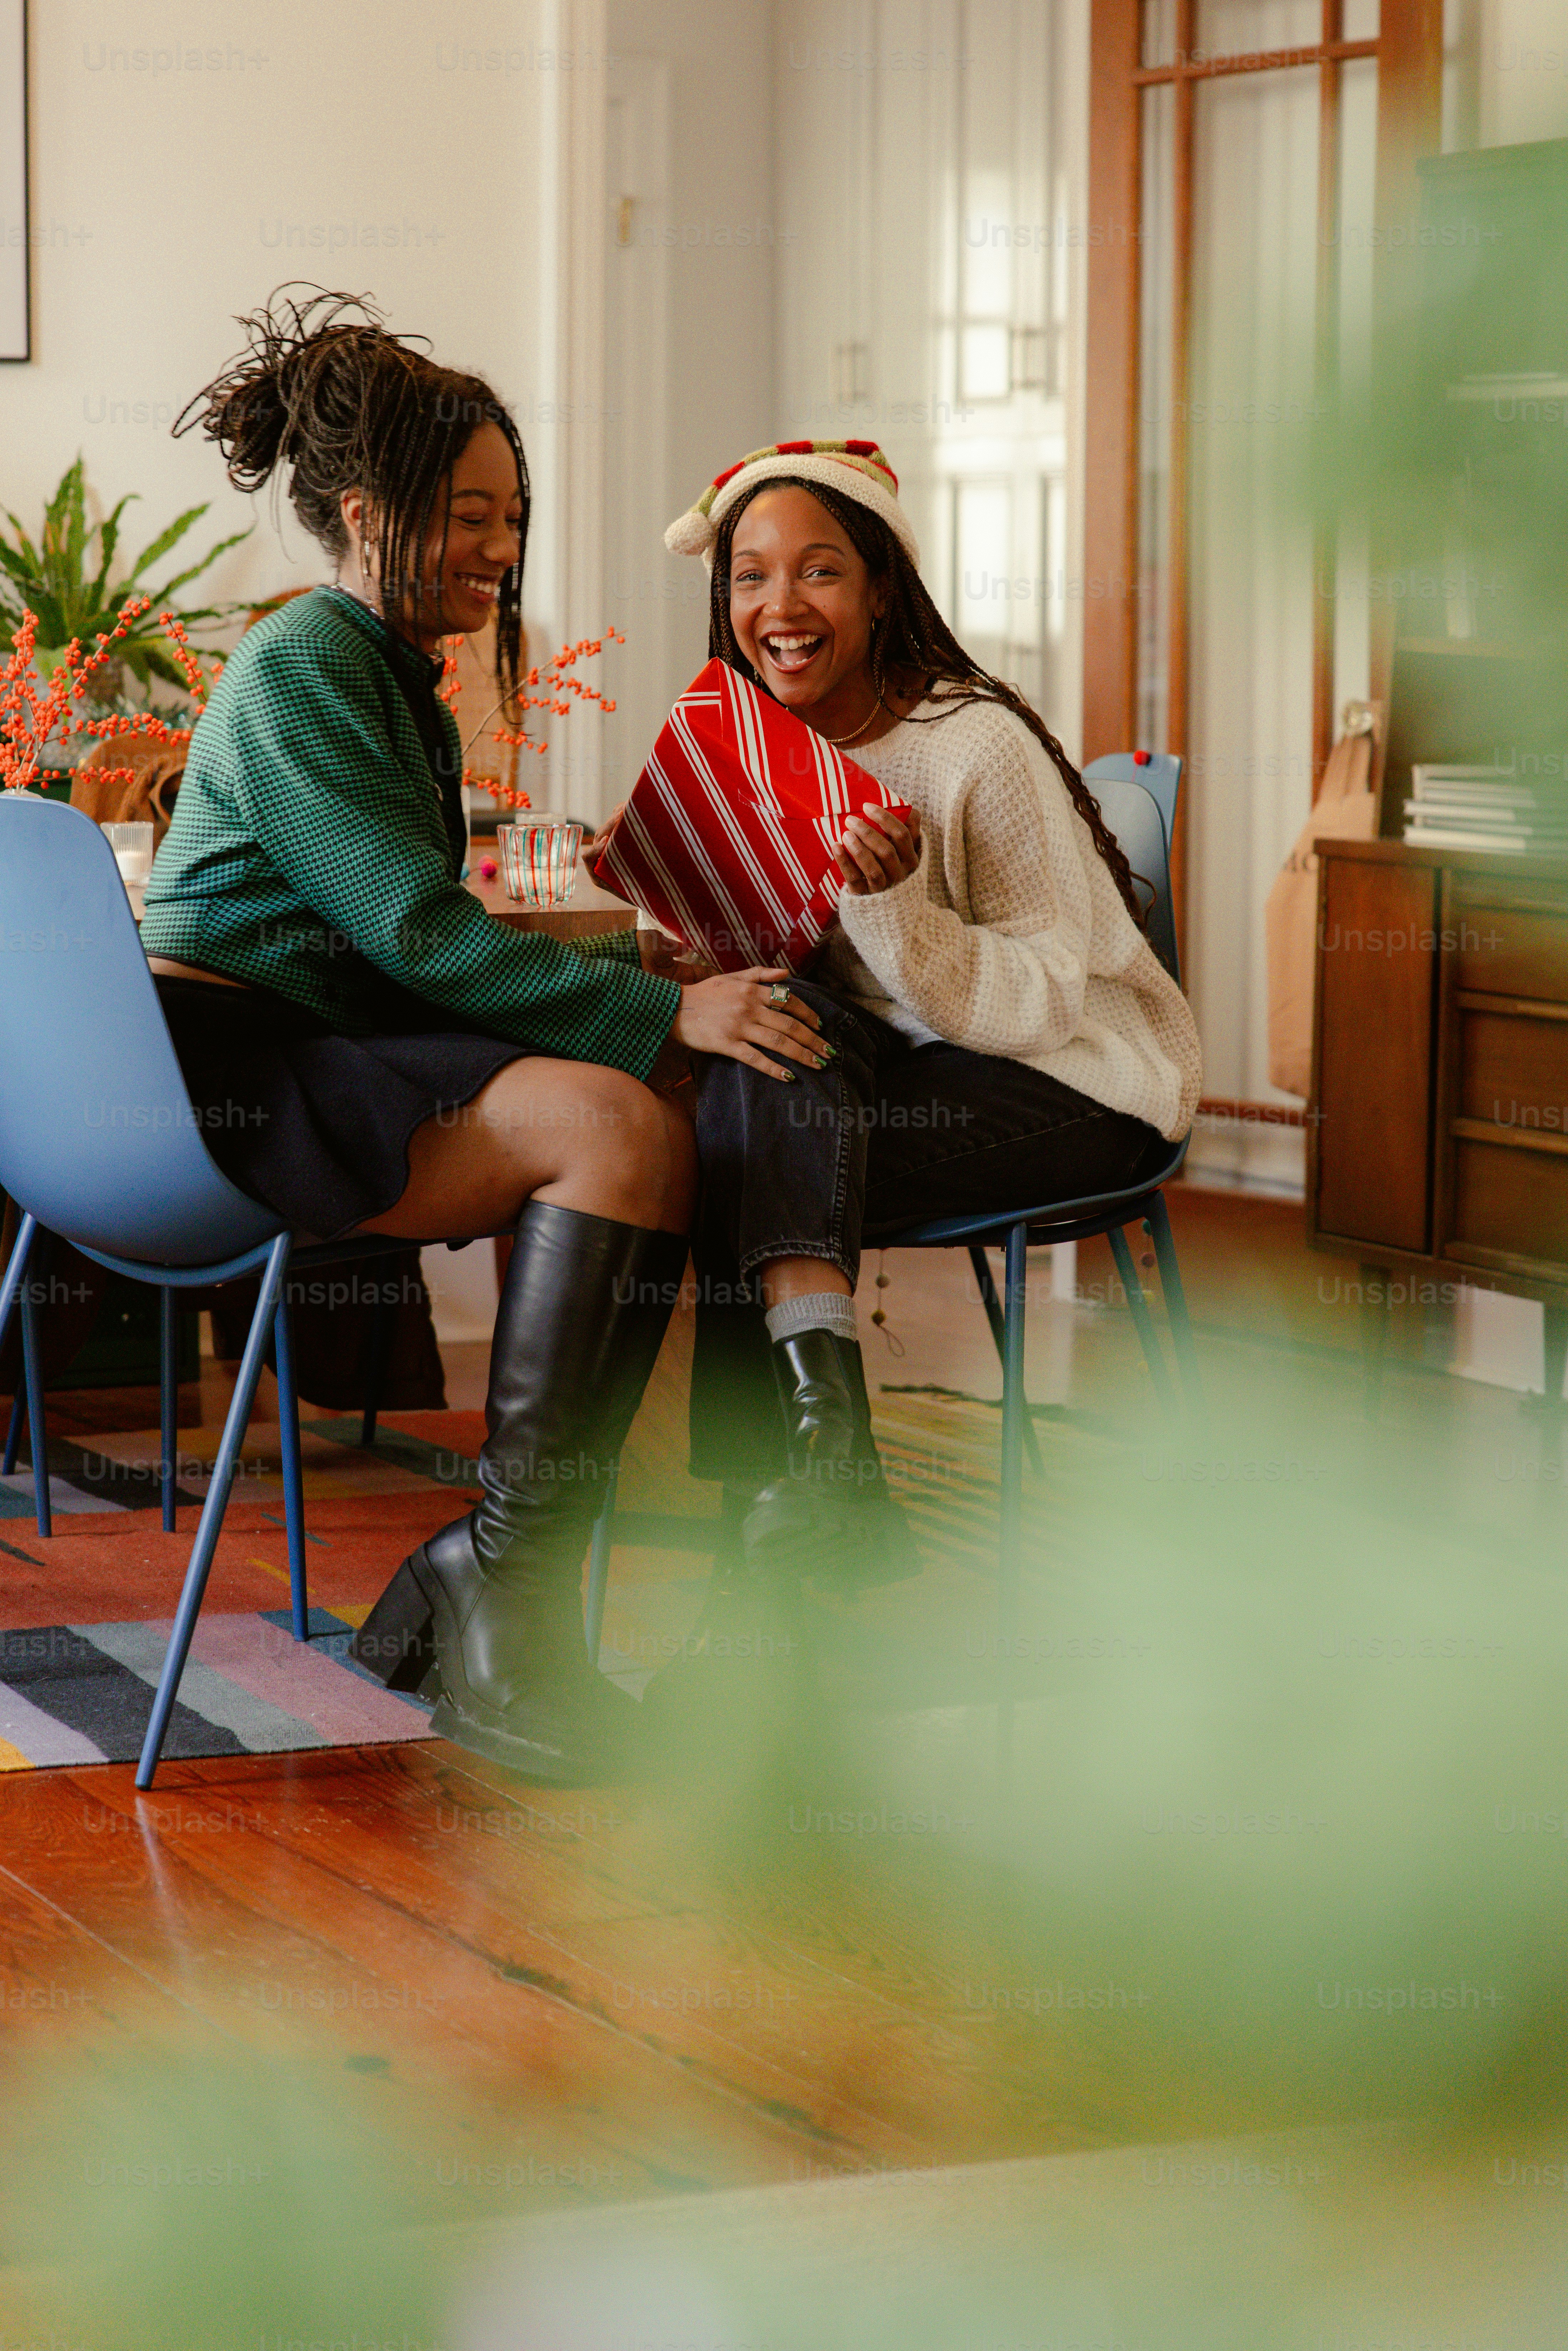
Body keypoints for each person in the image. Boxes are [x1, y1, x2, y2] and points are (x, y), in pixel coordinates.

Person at [140, 292, 830, 1780]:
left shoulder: (387, 675)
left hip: (293, 1049)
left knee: (652, 1099)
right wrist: (663, 1000)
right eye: (465, 517)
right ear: (357, 512)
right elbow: (413, 932)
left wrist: (660, 1008)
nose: (500, 550)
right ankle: (508, 1584)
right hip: (222, 1080)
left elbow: (407, 948)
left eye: (509, 517)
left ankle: (517, 1570)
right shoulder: (307, 666)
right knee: (627, 1117)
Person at [652, 438, 1202, 1631]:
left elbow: (1049, 996)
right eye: (749, 577)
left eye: (818, 573)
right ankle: (821, 1480)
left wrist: (893, 901)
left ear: (882, 585)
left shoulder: (972, 746)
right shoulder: (751, 749)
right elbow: (797, 977)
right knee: (764, 1048)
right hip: (900, 1068)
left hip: (1074, 1077)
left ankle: (786, 1520)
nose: (778, 608)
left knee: (743, 1161)